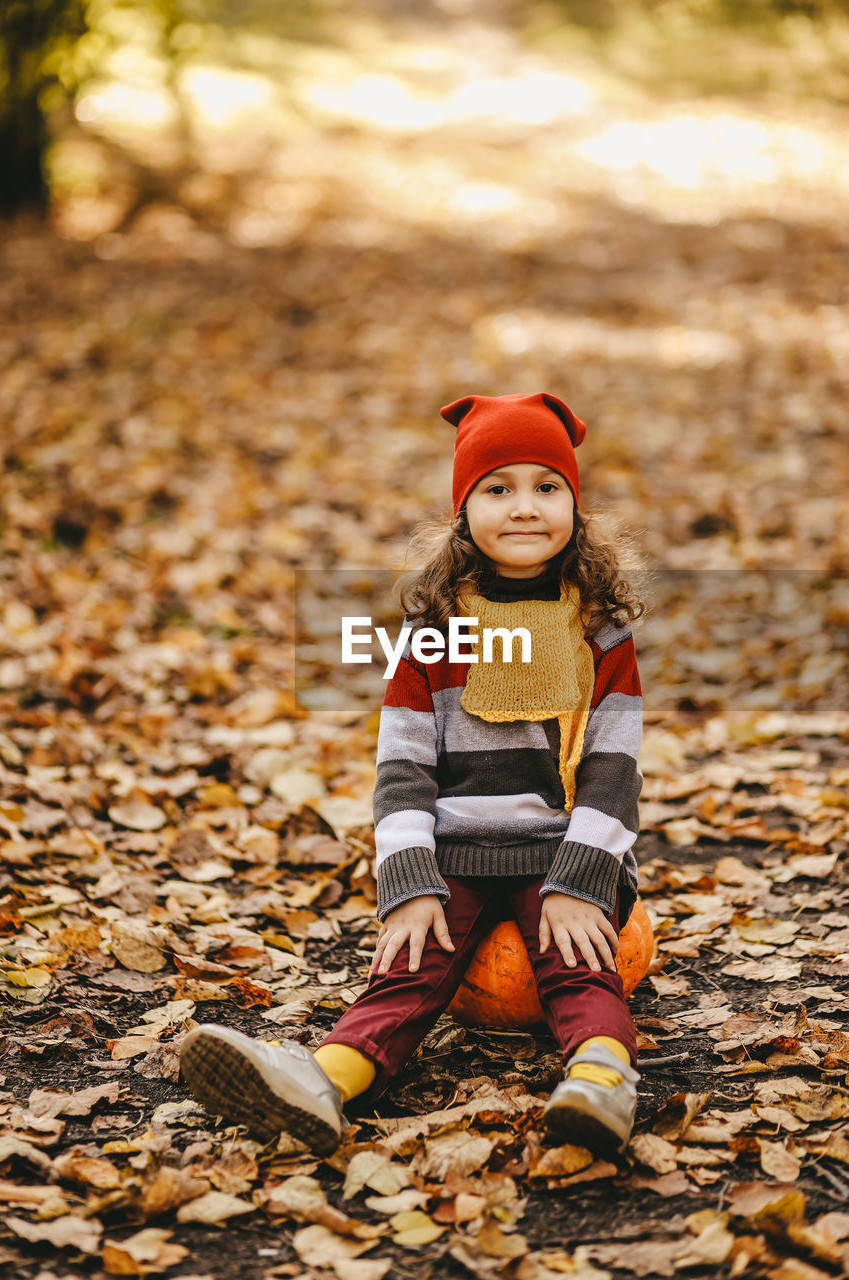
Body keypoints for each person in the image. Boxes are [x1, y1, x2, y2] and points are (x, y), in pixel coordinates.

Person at [180, 391, 646, 1161]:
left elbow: (612, 766)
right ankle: (320, 1086)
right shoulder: (432, 633)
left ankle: (598, 1084)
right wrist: (407, 882)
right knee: (403, 976)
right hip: (453, 853)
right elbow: (401, 769)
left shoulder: (600, 632)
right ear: (464, 512)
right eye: (497, 489)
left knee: (581, 970)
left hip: (560, 851)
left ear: (573, 503)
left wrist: (581, 879)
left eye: (546, 486)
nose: (523, 507)